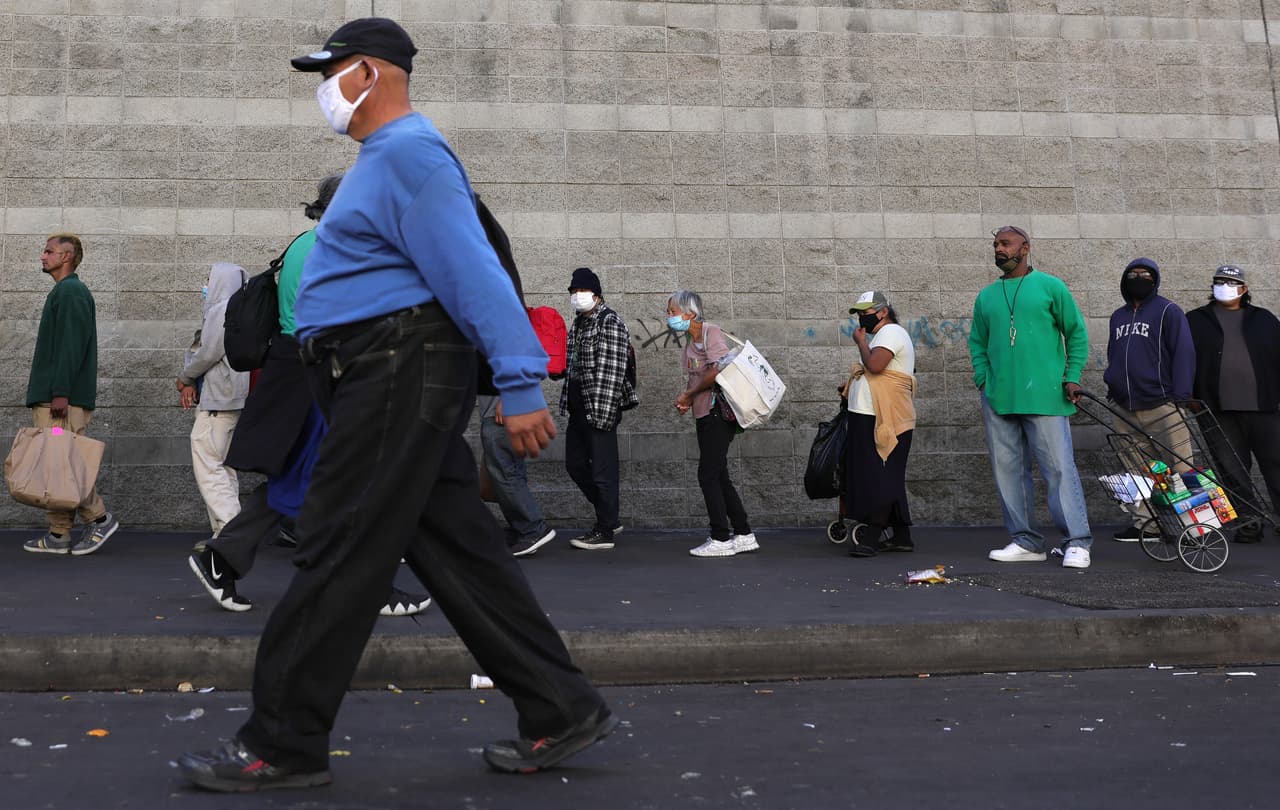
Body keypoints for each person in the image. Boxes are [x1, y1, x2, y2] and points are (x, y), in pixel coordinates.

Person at [177, 18, 617, 792]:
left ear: (373, 74)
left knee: (336, 546)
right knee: (458, 551)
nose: (323, 89)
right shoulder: (384, 160)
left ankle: (281, 743)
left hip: (397, 368)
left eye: (332, 71)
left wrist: (519, 382)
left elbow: (472, 269)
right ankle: (559, 706)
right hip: (384, 372)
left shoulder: (411, 152)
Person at [186, 175, 428, 617]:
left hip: (299, 374)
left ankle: (223, 558)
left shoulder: (303, 245)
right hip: (322, 376)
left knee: (301, 481)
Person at [970, 225, 1094, 569]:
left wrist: (1071, 377)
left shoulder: (1051, 286)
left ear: (1025, 248)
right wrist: (983, 380)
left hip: (1047, 396)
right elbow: (977, 343)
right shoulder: (986, 296)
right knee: (1006, 470)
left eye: (1005, 244)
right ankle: (1026, 541)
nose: (999, 249)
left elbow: (1077, 334)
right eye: (995, 244)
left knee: (1058, 469)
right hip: (998, 397)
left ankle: (1077, 542)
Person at [22, 234, 119, 555]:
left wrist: (61, 393)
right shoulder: (63, 291)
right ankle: (59, 534)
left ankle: (100, 518)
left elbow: (71, 346)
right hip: (55, 398)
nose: (42, 256)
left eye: (48, 251)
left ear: (66, 257)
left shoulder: (72, 292)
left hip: (60, 402)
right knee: (56, 463)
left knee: (63, 461)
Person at [1101, 257, 1196, 542]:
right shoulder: (1118, 316)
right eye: (1133, 274)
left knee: (1180, 466)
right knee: (1136, 471)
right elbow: (1114, 353)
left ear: (1154, 280)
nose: (1139, 278)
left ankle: (1194, 526)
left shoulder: (1168, 311)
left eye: (1145, 274)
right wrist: (1113, 386)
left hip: (1162, 404)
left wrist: (1180, 395)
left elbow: (1184, 352)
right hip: (1124, 406)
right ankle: (1147, 524)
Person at [1185, 264, 1280, 542]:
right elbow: (1182, 359)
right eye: (1219, 281)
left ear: (1244, 289)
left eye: (1231, 282)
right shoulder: (1196, 320)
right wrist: (1189, 395)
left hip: (1264, 407)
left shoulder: (1264, 320)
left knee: (1276, 464)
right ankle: (1248, 523)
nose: (1224, 286)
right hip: (1215, 409)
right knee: (1231, 469)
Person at [666, 290, 758, 558]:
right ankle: (743, 533)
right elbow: (696, 378)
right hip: (704, 414)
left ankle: (720, 536)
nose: (669, 317)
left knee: (707, 475)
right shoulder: (690, 343)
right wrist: (687, 399)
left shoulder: (711, 332)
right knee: (718, 474)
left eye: (672, 312)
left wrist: (690, 395)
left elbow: (718, 369)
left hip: (719, 413)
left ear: (690, 313)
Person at [560, 266, 637, 550]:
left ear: (596, 294)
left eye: (582, 290)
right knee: (575, 464)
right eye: (573, 291)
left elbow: (612, 371)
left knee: (603, 472)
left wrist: (602, 415)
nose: (577, 296)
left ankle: (605, 531)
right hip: (578, 408)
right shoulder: (580, 323)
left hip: (600, 407)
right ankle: (610, 516)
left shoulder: (610, 322)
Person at [839, 291, 916, 557]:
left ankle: (872, 535)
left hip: (884, 418)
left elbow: (875, 365)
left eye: (866, 313)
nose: (862, 319)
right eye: (859, 313)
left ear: (883, 312)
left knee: (880, 474)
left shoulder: (891, 333)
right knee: (881, 473)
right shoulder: (884, 336)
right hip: (868, 414)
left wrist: (860, 342)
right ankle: (902, 536)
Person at [178, 263, 251, 537]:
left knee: (209, 467)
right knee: (224, 468)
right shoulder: (241, 312)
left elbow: (207, 353)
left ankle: (233, 532)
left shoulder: (223, 311)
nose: (205, 284)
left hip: (218, 401)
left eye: (209, 279)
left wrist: (185, 377)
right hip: (234, 400)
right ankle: (222, 536)